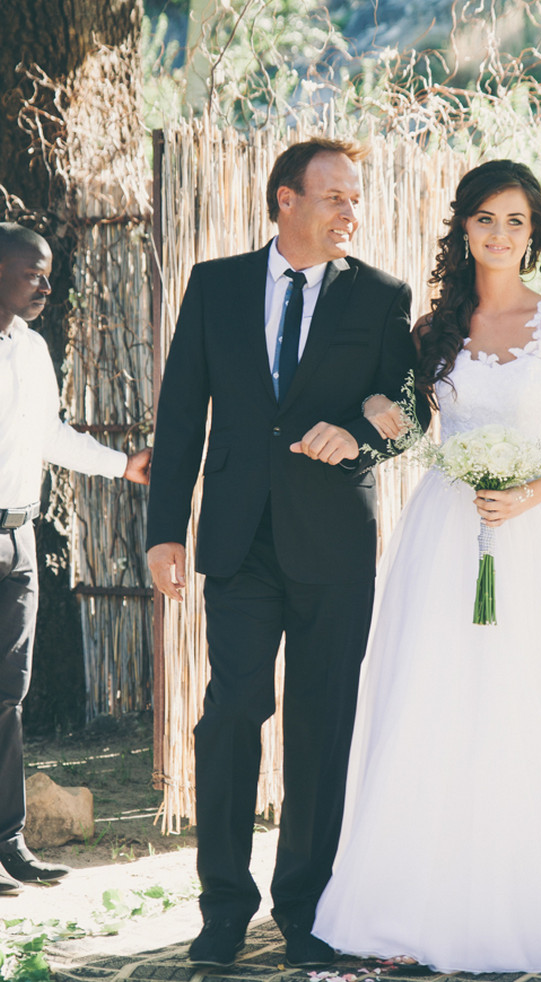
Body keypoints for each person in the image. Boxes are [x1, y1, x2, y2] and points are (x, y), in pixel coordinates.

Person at [313, 159, 541, 973]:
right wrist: (375, 411)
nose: (501, 235)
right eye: (485, 220)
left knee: (538, 702)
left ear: (533, 234)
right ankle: (430, 895)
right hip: (446, 535)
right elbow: (404, 419)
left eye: (517, 222)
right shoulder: (435, 328)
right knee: (443, 701)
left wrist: (528, 493)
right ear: (461, 228)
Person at [146, 138, 428, 969]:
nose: (350, 212)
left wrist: (360, 439)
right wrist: (165, 527)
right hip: (237, 540)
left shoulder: (380, 296)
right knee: (231, 714)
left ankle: (303, 909)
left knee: (320, 724)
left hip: (334, 543)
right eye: (333, 196)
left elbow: (410, 412)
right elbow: (178, 412)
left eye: (355, 198)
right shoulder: (215, 284)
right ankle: (224, 907)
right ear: (285, 200)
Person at [0, 222, 151, 897]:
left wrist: (124, 466)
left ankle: (8, 844)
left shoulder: (32, 351)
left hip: (17, 540)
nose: (46, 286)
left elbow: (49, 435)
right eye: (35, 273)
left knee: (7, 699)